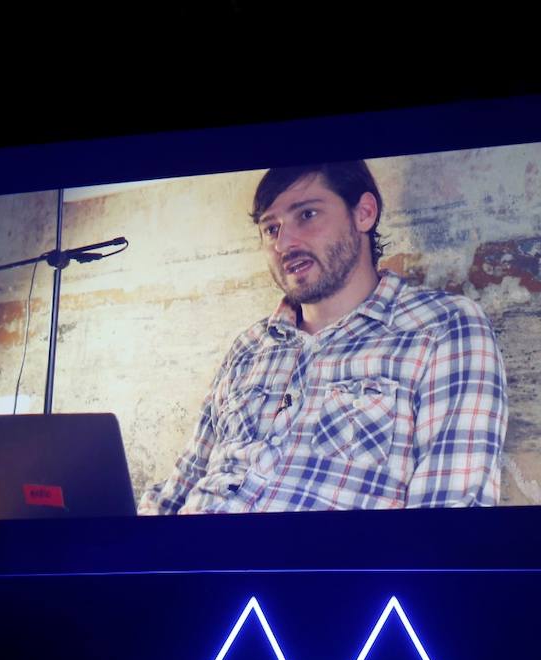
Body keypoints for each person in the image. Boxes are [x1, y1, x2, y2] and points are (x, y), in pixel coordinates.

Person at [139, 160, 507, 514]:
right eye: (271, 229)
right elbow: (180, 485)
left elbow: (449, 519)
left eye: (307, 215)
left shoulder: (442, 327)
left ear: (363, 213)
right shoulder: (249, 347)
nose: (285, 244)